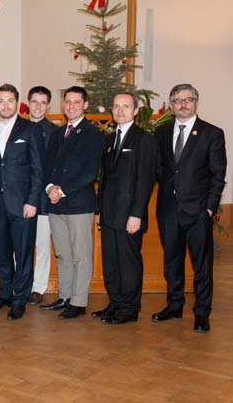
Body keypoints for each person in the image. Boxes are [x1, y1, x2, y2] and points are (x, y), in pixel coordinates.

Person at [153, 83, 227, 333]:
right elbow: (160, 167)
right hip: (168, 209)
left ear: (196, 102)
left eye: (188, 99)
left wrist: (209, 208)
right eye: (177, 100)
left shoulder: (212, 133)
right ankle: (174, 306)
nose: (183, 104)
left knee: (201, 265)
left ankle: (202, 312)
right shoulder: (161, 133)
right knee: (172, 261)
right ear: (171, 105)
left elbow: (218, 175)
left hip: (197, 211)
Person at [41, 86, 104, 319]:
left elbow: (89, 171)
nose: (71, 106)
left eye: (77, 102)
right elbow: (48, 167)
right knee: (63, 253)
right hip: (56, 203)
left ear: (85, 105)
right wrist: (49, 188)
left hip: (78, 203)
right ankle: (65, 296)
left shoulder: (93, 134)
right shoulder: (58, 134)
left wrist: (62, 190)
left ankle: (78, 301)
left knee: (81, 254)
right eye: (68, 102)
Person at [95, 92, 156, 325]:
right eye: (116, 106)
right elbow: (105, 180)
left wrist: (137, 214)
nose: (120, 111)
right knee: (111, 262)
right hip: (109, 214)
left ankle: (129, 309)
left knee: (128, 263)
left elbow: (145, 180)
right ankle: (116, 303)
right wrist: (99, 210)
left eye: (126, 106)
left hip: (129, 215)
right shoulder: (110, 140)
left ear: (136, 111)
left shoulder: (144, 140)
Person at [0, 84, 43, 320]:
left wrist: (32, 201)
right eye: (1, 101)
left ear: (18, 104)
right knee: (2, 252)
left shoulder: (30, 130)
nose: (5, 105)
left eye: (10, 101)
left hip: (22, 203)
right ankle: (5, 293)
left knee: (24, 252)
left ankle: (20, 299)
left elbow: (38, 170)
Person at [26, 86, 59, 305]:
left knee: (42, 245)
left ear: (48, 106)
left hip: (44, 199)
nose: (38, 106)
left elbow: (56, 166)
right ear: (27, 103)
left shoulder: (55, 133)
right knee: (20, 245)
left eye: (42, 103)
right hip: (20, 198)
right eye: (34, 102)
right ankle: (21, 284)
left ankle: (38, 287)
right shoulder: (18, 127)